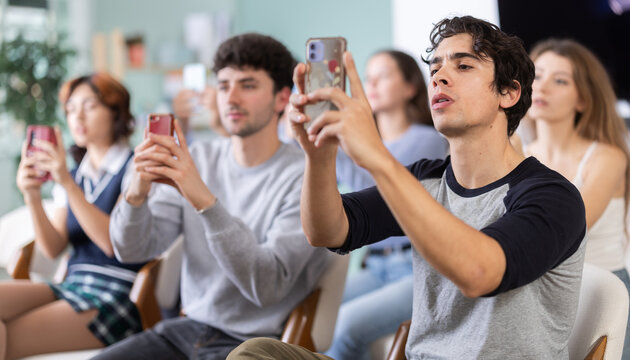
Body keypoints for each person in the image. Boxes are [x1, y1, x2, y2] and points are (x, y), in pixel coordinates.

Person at [228, 15, 586, 359]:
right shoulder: (426, 179)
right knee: (256, 352)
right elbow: (327, 230)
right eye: (434, 69)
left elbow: (480, 273)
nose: (440, 77)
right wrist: (320, 156)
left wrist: (377, 157)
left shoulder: (553, 197)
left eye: (462, 66)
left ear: (508, 93)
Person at [93, 33, 330, 360]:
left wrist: (204, 200)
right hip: (185, 331)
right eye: (222, 85)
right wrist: (135, 195)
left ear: (281, 99)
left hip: (252, 345)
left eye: (247, 85)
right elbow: (131, 249)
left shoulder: (306, 177)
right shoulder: (199, 159)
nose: (231, 98)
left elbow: (267, 286)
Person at [1, 73, 144, 359]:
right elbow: (52, 248)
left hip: (117, 294)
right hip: (73, 285)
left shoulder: (136, 168)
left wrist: (66, 181)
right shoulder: (76, 174)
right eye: (70, 108)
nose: (77, 116)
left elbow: (112, 242)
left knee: (12, 337)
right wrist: (32, 196)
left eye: (89, 106)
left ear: (116, 113)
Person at [327, 50, 448, 360]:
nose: (372, 84)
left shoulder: (427, 139)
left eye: (383, 76)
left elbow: (375, 193)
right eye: (369, 78)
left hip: (413, 268)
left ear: (410, 87)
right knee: (319, 314)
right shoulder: (369, 147)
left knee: (344, 326)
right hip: (376, 263)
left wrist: (343, 146)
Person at [521, 38, 630, 359]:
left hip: (601, 295)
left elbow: (568, 230)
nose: (542, 88)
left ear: (582, 99)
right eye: (537, 76)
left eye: (560, 80)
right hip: (540, 292)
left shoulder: (608, 157)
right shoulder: (517, 155)